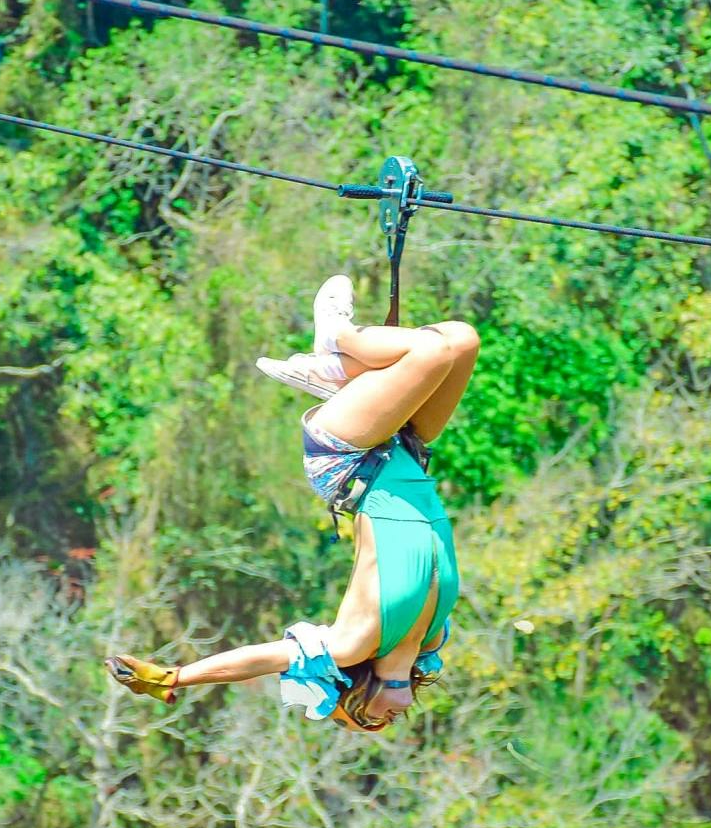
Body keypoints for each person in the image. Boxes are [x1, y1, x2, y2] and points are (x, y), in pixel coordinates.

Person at [106, 275, 478, 732]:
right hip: (406, 448)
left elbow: (260, 660)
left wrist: (177, 678)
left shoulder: (352, 643)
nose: (386, 722)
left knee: (431, 353)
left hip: (349, 458)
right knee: (460, 340)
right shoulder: (431, 637)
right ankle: (342, 373)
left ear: (347, 692)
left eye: (362, 721)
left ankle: (336, 341)